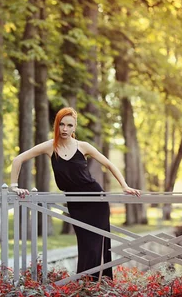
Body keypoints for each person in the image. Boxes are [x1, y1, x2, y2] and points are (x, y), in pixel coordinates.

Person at [9, 107, 141, 281]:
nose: (65, 129)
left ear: (74, 127)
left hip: (95, 200)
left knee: (98, 247)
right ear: (56, 125)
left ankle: (97, 286)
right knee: (85, 246)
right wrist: (13, 186)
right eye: (61, 124)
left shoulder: (83, 146)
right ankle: (85, 288)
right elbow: (18, 159)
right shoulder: (50, 147)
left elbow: (109, 164)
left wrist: (124, 185)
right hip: (75, 204)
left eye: (69, 125)